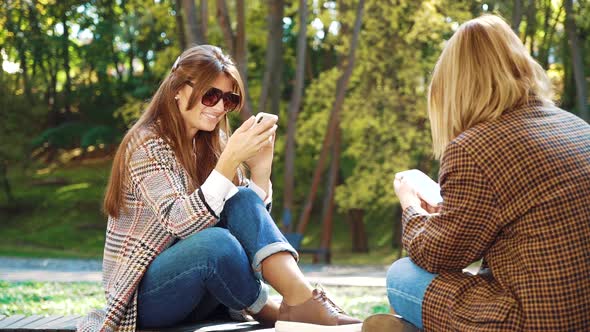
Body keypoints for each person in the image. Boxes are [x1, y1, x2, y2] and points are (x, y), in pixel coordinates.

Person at [77, 45, 362, 332]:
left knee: (243, 199)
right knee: (217, 242)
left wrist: (262, 170)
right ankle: (286, 310)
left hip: (207, 292)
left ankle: (301, 301)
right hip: (143, 300)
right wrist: (228, 162)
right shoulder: (146, 145)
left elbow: (250, 227)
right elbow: (180, 223)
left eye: (229, 99)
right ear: (178, 89)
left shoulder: (210, 144)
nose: (218, 108)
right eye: (210, 95)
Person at [362, 15, 590, 332]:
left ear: (454, 87)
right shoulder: (576, 127)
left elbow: (440, 257)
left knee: (402, 275)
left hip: (535, 321)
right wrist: (444, 213)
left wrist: (411, 206)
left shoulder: (475, 148)